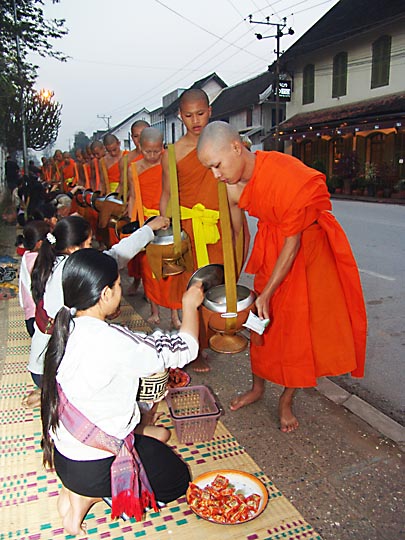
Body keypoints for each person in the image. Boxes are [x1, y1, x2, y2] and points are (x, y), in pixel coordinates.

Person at [197, 121, 367, 432]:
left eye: (217, 165)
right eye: (210, 168)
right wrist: (233, 279)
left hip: (306, 251)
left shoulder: (285, 173)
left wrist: (267, 292)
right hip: (272, 247)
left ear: (237, 147)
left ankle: (286, 399)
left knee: (298, 331)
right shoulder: (230, 185)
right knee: (260, 326)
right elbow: (237, 232)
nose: (216, 175)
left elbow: (294, 242)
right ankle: (258, 387)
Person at [41, 248, 203, 535]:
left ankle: (74, 491)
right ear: (105, 294)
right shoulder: (113, 341)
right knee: (178, 481)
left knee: (157, 438)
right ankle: (86, 497)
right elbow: (185, 348)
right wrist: (189, 306)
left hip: (64, 458)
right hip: (94, 468)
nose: (120, 289)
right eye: (118, 285)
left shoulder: (65, 328)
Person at [25, 213, 170, 409]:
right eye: (89, 244)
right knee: (125, 381)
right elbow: (115, 256)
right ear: (73, 249)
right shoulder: (74, 271)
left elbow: (115, 256)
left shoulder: (54, 263)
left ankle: (51, 392)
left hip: (41, 369)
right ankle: (57, 393)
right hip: (54, 373)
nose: (92, 249)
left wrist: (148, 229)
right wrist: (149, 229)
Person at [160, 88, 225, 368]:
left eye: (200, 113)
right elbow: (166, 195)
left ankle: (216, 333)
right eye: (189, 115)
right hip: (187, 229)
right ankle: (194, 350)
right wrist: (164, 236)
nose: (195, 120)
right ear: (180, 115)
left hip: (216, 226)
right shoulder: (172, 153)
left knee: (219, 284)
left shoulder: (223, 142)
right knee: (192, 288)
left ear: (210, 111)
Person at [128, 127, 179, 326]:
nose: (152, 155)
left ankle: (175, 314)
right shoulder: (135, 167)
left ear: (162, 147)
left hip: (167, 217)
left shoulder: (168, 162)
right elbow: (133, 197)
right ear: (140, 147)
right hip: (146, 220)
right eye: (148, 151)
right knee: (149, 269)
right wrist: (134, 224)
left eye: (156, 151)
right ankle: (154, 310)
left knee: (173, 267)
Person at [120, 120, 150, 296]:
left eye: (145, 134)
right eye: (137, 136)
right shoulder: (129, 160)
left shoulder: (161, 156)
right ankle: (137, 281)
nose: (141, 140)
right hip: (138, 206)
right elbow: (127, 188)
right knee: (138, 252)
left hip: (156, 207)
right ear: (132, 138)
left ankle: (153, 291)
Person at [17, 220, 50, 337]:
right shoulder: (38, 261)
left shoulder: (27, 256)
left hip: (30, 316)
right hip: (40, 319)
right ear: (40, 243)